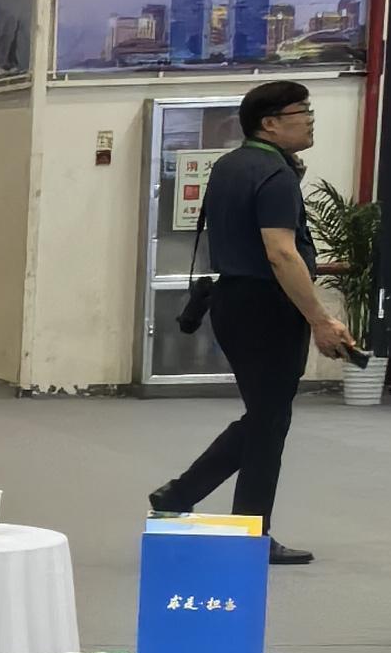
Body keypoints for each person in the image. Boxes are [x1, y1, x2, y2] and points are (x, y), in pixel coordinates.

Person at [152, 79, 361, 562]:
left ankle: (182, 496)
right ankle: (246, 532)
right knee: (269, 422)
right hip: (269, 308)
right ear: (270, 123)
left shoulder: (229, 166)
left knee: (266, 417)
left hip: (233, 302)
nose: (310, 120)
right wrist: (320, 319)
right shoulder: (276, 174)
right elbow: (280, 253)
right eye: (302, 112)